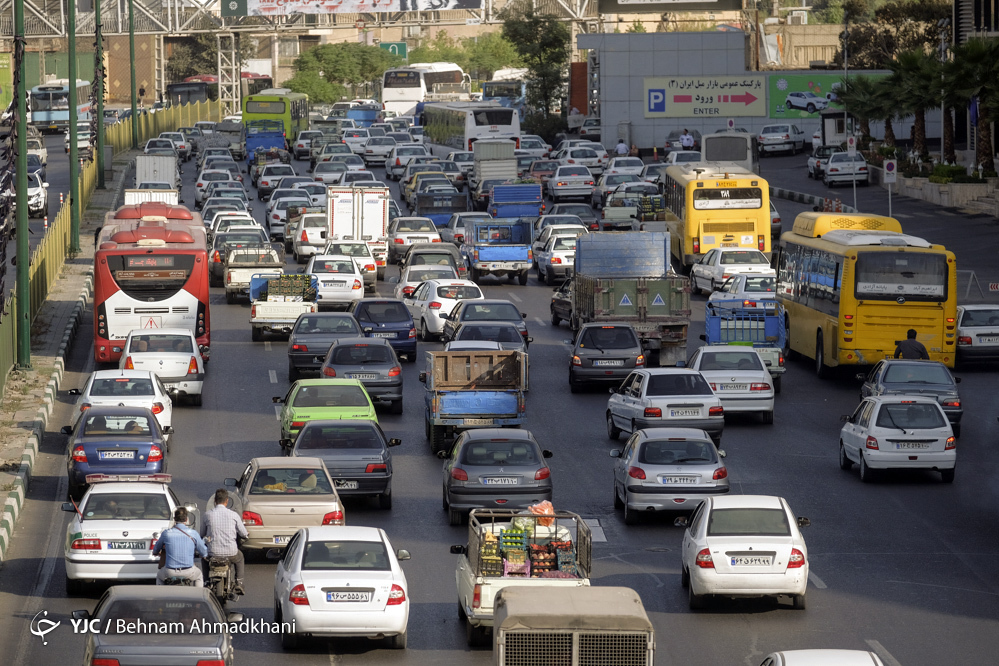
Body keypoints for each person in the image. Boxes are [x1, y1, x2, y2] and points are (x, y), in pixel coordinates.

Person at [202, 488, 248, 595]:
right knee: (240, 558)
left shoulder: (207, 515)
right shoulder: (234, 515)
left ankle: (207, 581)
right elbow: (243, 533)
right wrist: (246, 535)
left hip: (212, 553)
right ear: (227, 501)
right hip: (231, 553)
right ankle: (239, 583)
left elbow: (201, 534)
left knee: (204, 559)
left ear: (215, 501)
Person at [153, 507, 208, 587]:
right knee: (199, 576)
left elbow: (155, 550)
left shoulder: (166, 533)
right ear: (186, 519)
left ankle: (161, 597)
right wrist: (204, 555)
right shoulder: (193, 533)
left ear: (174, 519)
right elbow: (204, 552)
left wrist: (156, 552)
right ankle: (198, 596)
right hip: (188, 572)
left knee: (159, 576)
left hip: (170, 572)